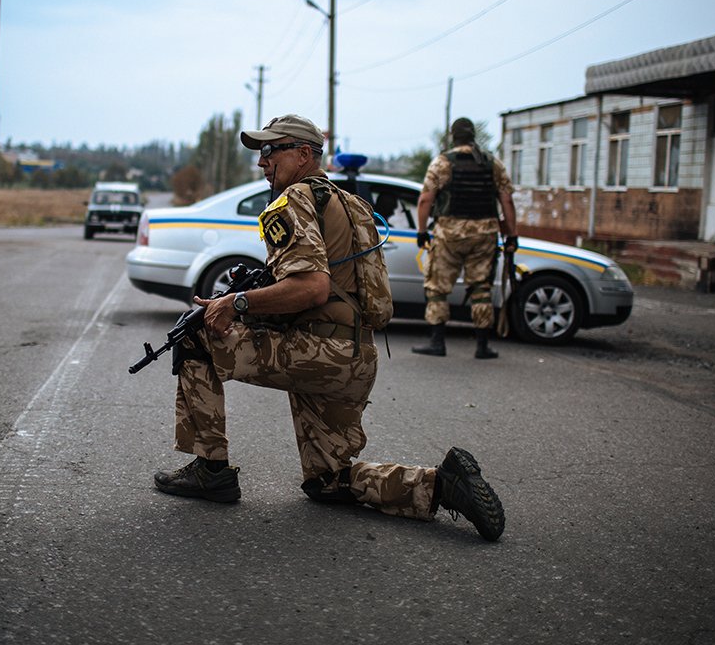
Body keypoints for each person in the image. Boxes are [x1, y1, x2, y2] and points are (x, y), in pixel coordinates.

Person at [153, 114, 505, 541]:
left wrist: (236, 302)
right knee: (328, 480)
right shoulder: (350, 203)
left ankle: (210, 470)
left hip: (316, 353)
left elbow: (312, 288)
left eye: (270, 150)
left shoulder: (292, 201)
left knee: (195, 335)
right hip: (356, 357)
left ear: (304, 154)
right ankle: (442, 484)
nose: (262, 162)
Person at [412, 118, 518, 359]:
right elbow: (507, 201)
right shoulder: (493, 164)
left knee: (437, 287)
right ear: (473, 136)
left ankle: (437, 343)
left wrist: (421, 231)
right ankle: (482, 346)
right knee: (481, 287)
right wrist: (512, 235)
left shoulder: (442, 162)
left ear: (453, 136)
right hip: (484, 234)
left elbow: (426, 199)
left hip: (449, 234)